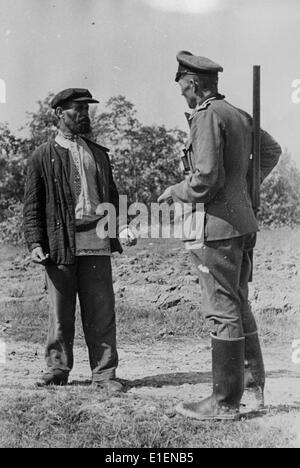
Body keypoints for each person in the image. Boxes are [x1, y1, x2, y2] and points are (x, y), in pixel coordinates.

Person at [158, 52, 281, 420]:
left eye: (183, 88)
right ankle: (252, 385)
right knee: (238, 302)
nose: (182, 95)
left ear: (193, 84)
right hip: (242, 225)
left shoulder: (208, 116)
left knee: (222, 307)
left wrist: (175, 190)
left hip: (217, 228)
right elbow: (271, 150)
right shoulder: (239, 114)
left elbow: (206, 178)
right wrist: (242, 188)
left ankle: (225, 401)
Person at [23, 88, 135, 393]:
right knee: (60, 313)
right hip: (60, 242)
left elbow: (112, 197)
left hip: (96, 238)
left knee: (101, 309)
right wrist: (35, 243)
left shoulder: (98, 154)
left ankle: (105, 374)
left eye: (86, 109)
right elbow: (32, 206)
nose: (84, 115)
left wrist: (121, 225)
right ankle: (57, 370)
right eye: (77, 110)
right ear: (59, 113)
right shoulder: (41, 156)